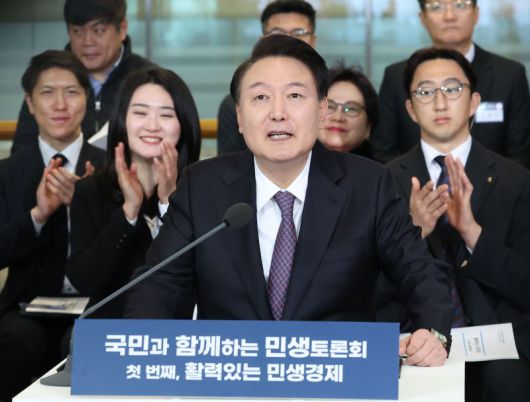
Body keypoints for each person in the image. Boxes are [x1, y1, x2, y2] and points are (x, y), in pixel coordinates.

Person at [125, 35, 454, 369]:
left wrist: (434, 333)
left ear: (322, 110)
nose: (278, 113)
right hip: (233, 376)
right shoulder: (202, 186)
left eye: (295, 96)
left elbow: (419, 271)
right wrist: (138, 346)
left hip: (335, 376)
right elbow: (160, 283)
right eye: (261, 97)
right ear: (239, 117)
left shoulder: (368, 185)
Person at [380, 47, 530, 402]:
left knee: (507, 381)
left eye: (452, 88)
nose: (440, 102)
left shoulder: (516, 180)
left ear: (474, 101)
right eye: (425, 91)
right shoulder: (382, 180)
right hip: (412, 335)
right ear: (410, 108)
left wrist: (471, 232)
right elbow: (365, 282)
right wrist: (414, 232)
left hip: (499, 337)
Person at [0, 50, 105, 401]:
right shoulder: (8, 172)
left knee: (83, 341)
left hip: (95, 304)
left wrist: (88, 203)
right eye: (47, 93)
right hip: (26, 306)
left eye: (71, 92)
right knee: (18, 340)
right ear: (30, 104)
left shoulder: (109, 168)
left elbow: (125, 252)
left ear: (86, 99)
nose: (60, 104)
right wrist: (38, 215)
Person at [66, 67, 201, 319]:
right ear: (122, 120)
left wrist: (168, 204)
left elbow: (201, 278)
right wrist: (129, 211)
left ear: (183, 124)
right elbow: (84, 280)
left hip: (180, 328)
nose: (152, 125)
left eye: (166, 115)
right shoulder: (90, 191)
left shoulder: (205, 190)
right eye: (140, 112)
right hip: (112, 329)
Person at [370, 0, 530, 168]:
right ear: (422, 18)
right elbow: (383, 150)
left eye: (460, 5)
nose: (449, 16)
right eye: (437, 7)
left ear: (476, 13)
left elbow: (521, 153)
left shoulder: (509, 74)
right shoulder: (396, 76)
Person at [12, 0, 153, 154]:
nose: (87, 42)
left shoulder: (150, 80)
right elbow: (22, 151)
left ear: (122, 29)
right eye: (77, 31)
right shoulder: (46, 79)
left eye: (98, 30)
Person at [217, 0, 317, 155]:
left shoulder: (334, 96)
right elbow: (230, 165)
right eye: (277, 33)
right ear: (262, 39)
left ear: (313, 40)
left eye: (298, 33)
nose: (287, 40)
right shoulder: (234, 104)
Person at [318, 62, 378, 158]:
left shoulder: (379, 168)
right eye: (329, 106)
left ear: (369, 127)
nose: (338, 118)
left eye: (351, 109)